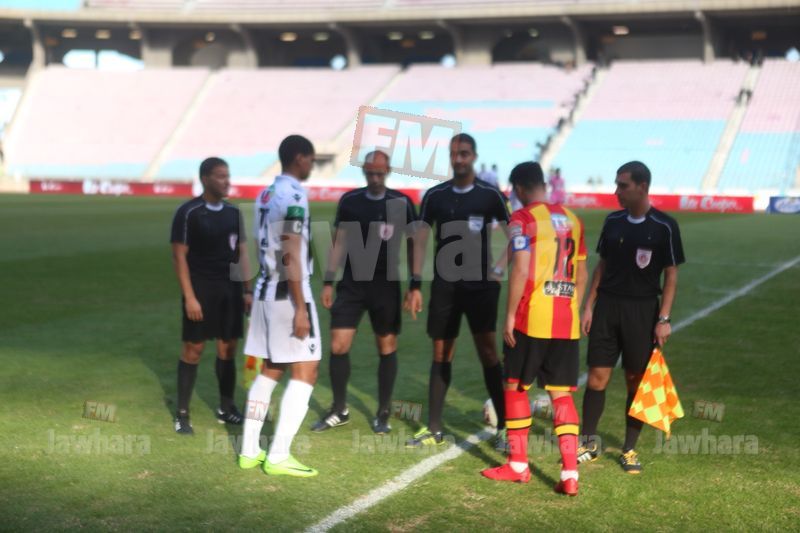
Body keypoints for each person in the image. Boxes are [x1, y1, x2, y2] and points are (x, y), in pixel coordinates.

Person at [480, 162, 587, 496]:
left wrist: (510, 315)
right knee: (561, 395)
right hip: (565, 319)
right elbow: (582, 274)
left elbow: (521, 268)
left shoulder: (522, 219)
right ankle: (570, 474)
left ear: (519, 189)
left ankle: (518, 465)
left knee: (514, 387)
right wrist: (571, 307)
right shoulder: (573, 219)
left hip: (533, 318)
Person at [577, 161, 685, 474]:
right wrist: (589, 306)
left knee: (635, 382)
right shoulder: (612, 221)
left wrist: (663, 319)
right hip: (607, 308)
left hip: (642, 311)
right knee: (597, 377)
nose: (617, 191)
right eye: (617, 184)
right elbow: (602, 265)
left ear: (642, 186)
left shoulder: (665, 226)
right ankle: (588, 443)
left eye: (623, 185)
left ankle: (629, 449)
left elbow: (671, 276)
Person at [405, 133, 510, 449]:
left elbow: (514, 235)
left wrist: (499, 269)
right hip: (445, 285)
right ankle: (434, 429)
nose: (458, 159)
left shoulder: (490, 195)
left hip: (480, 287)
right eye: (454, 153)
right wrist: (414, 285)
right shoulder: (435, 196)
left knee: (487, 352)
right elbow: (420, 240)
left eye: (464, 153)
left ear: (473, 156)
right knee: (441, 352)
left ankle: (505, 428)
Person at [311, 150, 418, 434]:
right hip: (352, 283)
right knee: (338, 345)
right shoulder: (350, 201)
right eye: (370, 173)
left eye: (379, 173)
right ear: (364, 171)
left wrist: (415, 285)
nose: (375, 178)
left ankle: (383, 412)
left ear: (388, 171)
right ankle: (339, 409)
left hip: (386, 284)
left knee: (386, 346)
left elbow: (414, 243)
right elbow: (339, 241)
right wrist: (328, 281)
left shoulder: (402, 203)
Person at [238, 135, 321, 477]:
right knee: (307, 370)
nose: (312, 165)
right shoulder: (294, 195)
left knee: (271, 368)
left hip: (265, 288)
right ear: (299, 158)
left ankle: (248, 451)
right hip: (289, 292)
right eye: (311, 159)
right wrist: (301, 308)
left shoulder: (266, 193)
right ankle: (279, 456)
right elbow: (291, 250)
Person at [170, 157, 252, 435]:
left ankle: (226, 408)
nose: (227, 181)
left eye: (228, 175)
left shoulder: (233, 213)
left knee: (228, 348)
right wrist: (190, 297)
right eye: (220, 176)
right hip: (201, 289)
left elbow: (242, 253)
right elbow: (179, 257)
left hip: (230, 290)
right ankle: (182, 414)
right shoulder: (189, 212)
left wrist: (247, 290)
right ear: (205, 179)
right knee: (193, 349)